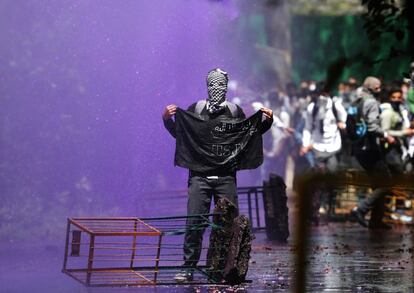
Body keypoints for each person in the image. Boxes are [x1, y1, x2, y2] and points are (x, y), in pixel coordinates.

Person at [162, 68, 273, 282]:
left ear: (226, 87)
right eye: (213, 85)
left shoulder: (234, 112)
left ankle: (225, 267)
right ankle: (188, 268)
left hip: (225, 178)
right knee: (194, 223)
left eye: (220, 85)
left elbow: (248, 138)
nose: (217, 89)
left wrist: (266, 121)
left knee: (229, 224)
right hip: (199, 178)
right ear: (207, 86)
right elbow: (182, 136)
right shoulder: (196, 109)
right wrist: (167, 120)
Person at [350, 76, 396, 229]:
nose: (380, 90)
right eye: (378, 87)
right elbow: (372, 127)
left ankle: (376, 220)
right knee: (386, 182)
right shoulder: (372, 103)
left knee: (378, 184)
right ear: (372, 88)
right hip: (369, 149)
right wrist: (386, 136)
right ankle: (360, 209)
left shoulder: (357, 101)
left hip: (358, 147)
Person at [300, 82, 347, 221]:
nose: (322, 97)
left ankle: (329, 205)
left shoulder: (335, 105)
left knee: (332, 174)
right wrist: (305, 144)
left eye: (325, 94)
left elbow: (344, 121)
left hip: (333, 146)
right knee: (318, 177)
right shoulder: (312, 108)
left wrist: (342, 125)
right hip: (318, 147)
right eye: (320, 94)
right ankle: (316, 207)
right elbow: (307, 127)